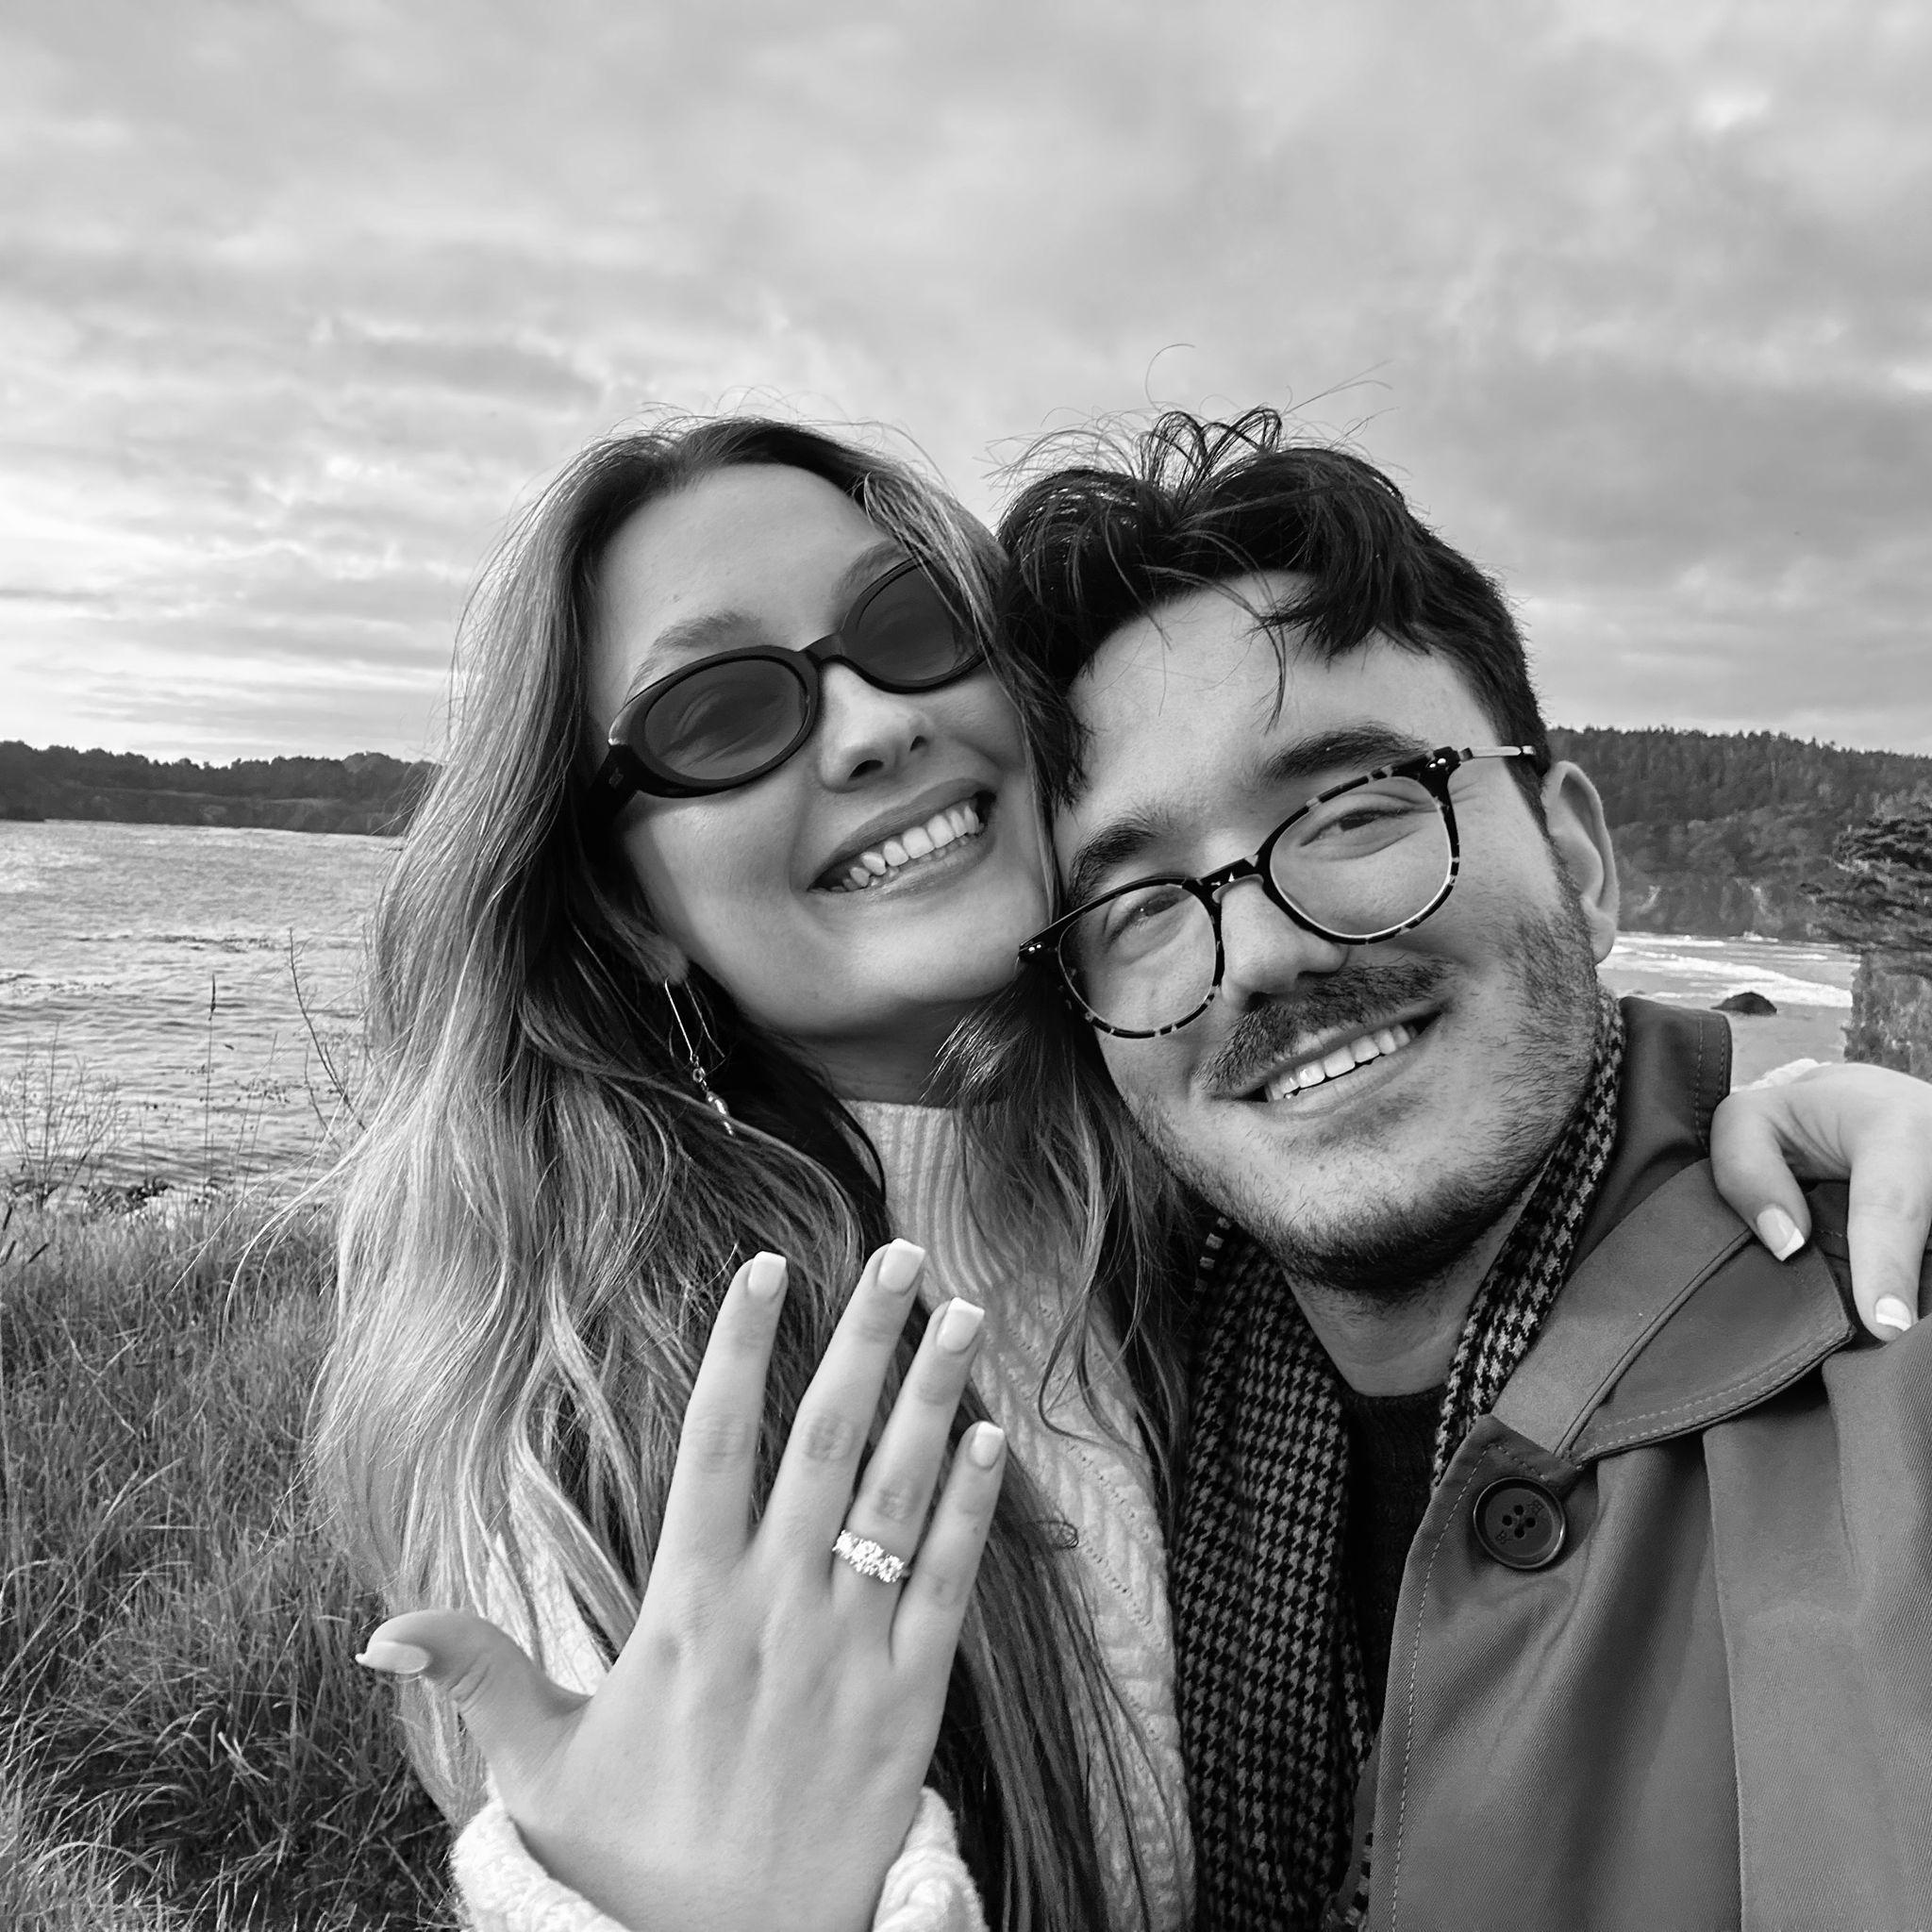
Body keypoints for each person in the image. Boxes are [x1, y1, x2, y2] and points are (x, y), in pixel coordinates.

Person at [322, 413, 1932, 1932]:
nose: (873, 726)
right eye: (716, 716)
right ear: (631, 911)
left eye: (908, 624)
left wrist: (1740, 1109)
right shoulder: (616, 1420)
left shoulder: (1179, 1233)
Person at [991, 408, 1932, 1930]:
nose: (1264, 952)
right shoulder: (1093, 1426)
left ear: (1580, 859)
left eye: (1357, 810)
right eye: (1142, 907)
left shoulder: (1890, 1360)